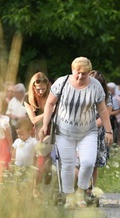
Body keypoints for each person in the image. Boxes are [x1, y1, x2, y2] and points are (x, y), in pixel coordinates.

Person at [38, 57, 112, 209]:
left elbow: (103, 109)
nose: (80, 76)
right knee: (68, 164)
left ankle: (81, 191)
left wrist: (109, 131)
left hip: (88, 131)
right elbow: (50, 103)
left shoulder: (95, 86)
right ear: (72, 70)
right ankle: (69, 196)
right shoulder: (62, 83)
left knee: (88, 162)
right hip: (64, 131)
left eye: (84, 74)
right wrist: (45, 124)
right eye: (78, 73)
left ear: (88, 73)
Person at [89, 71, 116, 195]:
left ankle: (92, 189)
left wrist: (89, 126)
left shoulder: (107, 96)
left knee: (94, 163)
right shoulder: (82, 92)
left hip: (98, 131)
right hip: (80, 130)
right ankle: (82, 187)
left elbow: (106, 115)